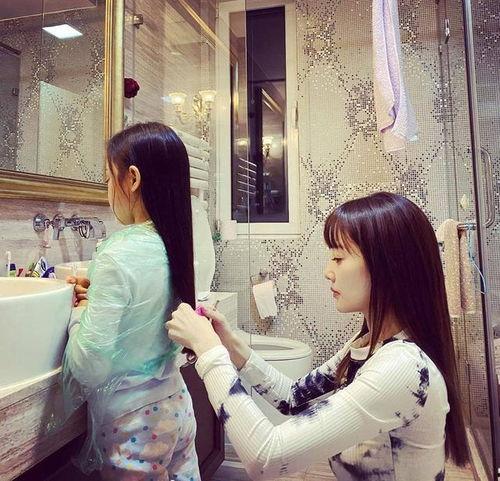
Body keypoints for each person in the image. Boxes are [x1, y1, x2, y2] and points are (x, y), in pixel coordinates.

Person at [167, 192, 469, 481]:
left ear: (388, 266)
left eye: (338, 258)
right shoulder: (370, 344)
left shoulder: (402, 368)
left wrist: (208, 352)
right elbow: (293, 396)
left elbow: (266, 457)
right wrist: (230, 344)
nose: (327, 271)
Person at [62, 122, 200, 481]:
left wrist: (79, 313)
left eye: (109, 178)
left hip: (134, 426)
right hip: (176, 407)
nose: (109, 189)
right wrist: (97, 298)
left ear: (133, 179)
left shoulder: (117, 252)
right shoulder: (174, 241)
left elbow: (89, 365)